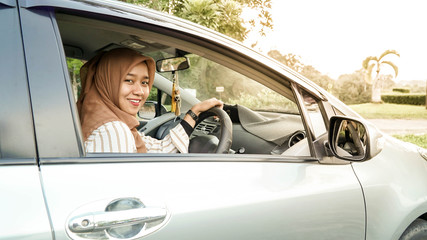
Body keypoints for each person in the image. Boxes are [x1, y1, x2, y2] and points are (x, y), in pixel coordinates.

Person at [77, 48, 222, 153]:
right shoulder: (113, 131)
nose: (139, 91)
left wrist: (194, 113)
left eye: (144, 83)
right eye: (129, 80)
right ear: (107, 82)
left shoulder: (111, 121)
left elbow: (161, 149)